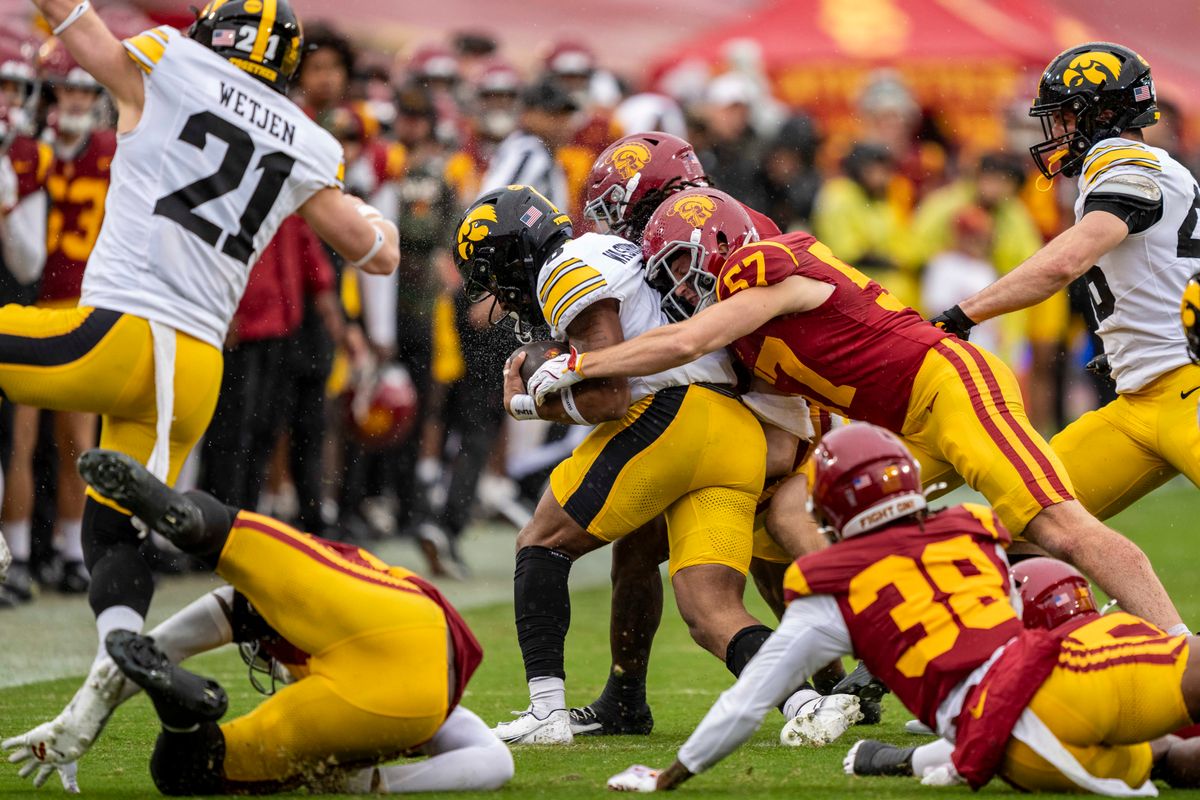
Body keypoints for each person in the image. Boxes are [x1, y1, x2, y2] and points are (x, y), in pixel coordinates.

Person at [1, 0, 398, 784]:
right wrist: (378, 221)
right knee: (118, 538)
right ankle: (114, 657)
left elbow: (74, 25)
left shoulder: (167, 64)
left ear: (213, 34)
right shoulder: (305, 137)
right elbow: (370, 251)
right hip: (195, 370)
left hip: (119, 334)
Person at [525, 186, 1186, 635]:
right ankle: (876, 642)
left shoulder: (765, 266)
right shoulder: (747, 332)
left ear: (717, 243)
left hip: (947, 391)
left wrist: (577, 364)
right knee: (788, 512)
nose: (675, 286)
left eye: (677, 266)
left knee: (1059, 527)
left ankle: (1179, 646)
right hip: (900, 427)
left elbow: (687, 340)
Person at [454, 185, 857, 746]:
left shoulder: (563, 269)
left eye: (492, 274)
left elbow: (610, 398)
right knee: (709, 607)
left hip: (673, 416)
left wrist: (530, 403)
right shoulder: (609, 249)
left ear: (513, 253)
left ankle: (545, 710)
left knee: (541, 540)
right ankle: (808, 704)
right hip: (733, 430)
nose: (497, 292)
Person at [606, 423, 1200, 794]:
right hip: (1055, 682)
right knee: (1187, 663)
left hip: (1002, 743)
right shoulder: (969, 529)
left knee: (1169, 761)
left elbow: (745, 705)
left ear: (832, 505)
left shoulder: (830, 588)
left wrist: (667, 777)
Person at [572, 131, 867, 737]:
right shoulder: (687, 222)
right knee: (648, 546)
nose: (610, 227)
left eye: (615, 208)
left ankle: (857, 666)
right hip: (727, 403)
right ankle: (626, 695)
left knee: (763, 542)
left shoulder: (718, 230)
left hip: (772, 398)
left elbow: (717, 339)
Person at [6, 447, 511, 795]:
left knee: (225, 536)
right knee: (189, 774)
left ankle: (193, 528)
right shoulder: (434, 704)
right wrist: (376, 782)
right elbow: (495, 763)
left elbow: (160, 647)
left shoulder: (260, 609)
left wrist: (79, 719)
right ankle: (190, 528)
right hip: (415, 642)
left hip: (385, 651)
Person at [929, 43, 1200, 520]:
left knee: (1030, 519)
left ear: (1104, 113)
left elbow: (1066, 261)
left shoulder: (1124, 163)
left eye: (1066, 117)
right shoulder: (1148, 167)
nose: (1057, 132)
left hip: (1186, 389)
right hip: (1140, 404)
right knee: (1025, 522)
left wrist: (963, 313)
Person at [845, 556, 1200, 787]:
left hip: (1035, 754)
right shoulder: (1124, 630)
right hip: (1113, 689)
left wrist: (894, 758)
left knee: (1163, 755)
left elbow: (978, 729)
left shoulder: (1006, 670)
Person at [2, 59, 111, 600]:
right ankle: (19, 553)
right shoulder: (28, 152)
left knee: (76, 442)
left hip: (84, 306)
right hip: (32, 304)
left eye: (83, 92)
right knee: (19, 441)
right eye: (64, 91)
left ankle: (73, 551)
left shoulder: (113, 151)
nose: (73, 102)